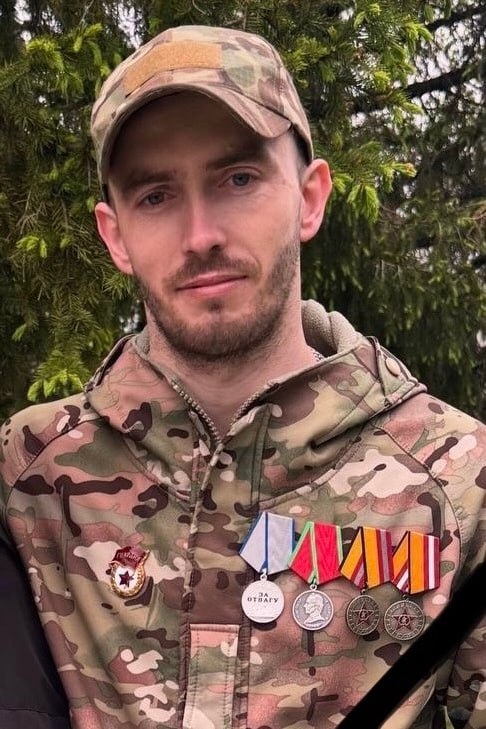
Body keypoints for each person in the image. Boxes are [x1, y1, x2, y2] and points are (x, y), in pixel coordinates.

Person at [0, 22, 485, 729]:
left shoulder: (459, 480)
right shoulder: (29, 474)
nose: (201, 235)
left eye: (239, 179)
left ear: (310, 197)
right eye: (155, 195)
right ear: (115, 235)